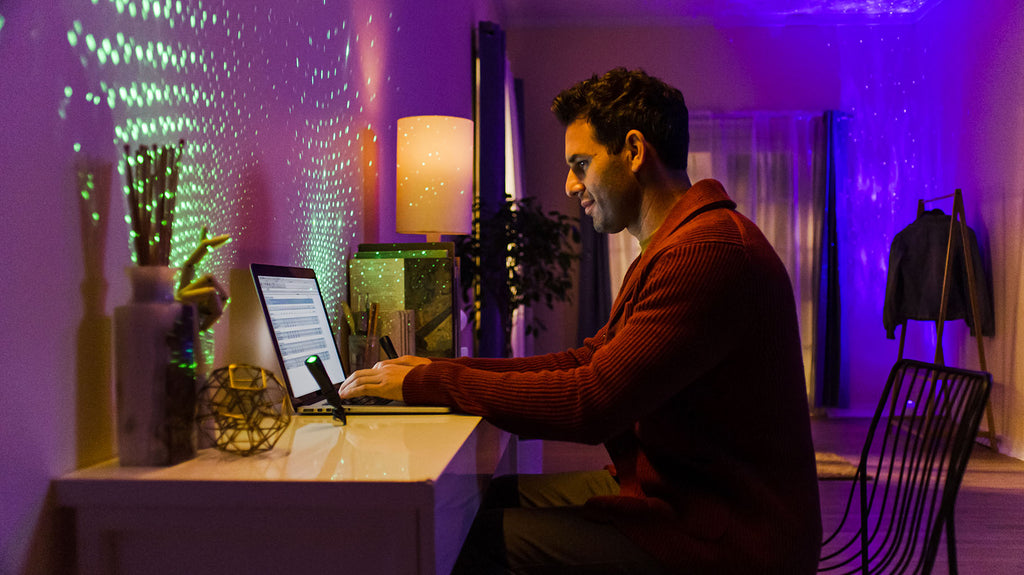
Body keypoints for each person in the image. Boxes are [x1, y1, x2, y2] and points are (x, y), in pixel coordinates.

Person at [340, 68, 822, 574]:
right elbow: (589, 359)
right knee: (494, 497)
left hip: (729, 540)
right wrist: (430, 371)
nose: (570, 185)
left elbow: (592, 404)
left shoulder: (706, 252)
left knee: (471, 540)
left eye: (580, 164)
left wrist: (432, 381)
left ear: (634, 151)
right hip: (682, 496)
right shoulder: (677, 244)